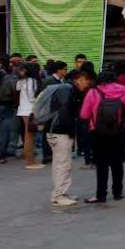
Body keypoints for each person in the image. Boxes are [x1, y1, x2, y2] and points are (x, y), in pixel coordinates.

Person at [79, 71, 125, 203]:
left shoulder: (93, 92)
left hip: (98, 133)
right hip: (118, 132)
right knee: (117, 162)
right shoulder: (123, 90)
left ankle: (101, 194)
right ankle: (117, 192)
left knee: (101, 164)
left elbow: (84, 115)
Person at [44, 68, 96, 206]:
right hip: (61, 132)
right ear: (81, 79)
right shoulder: (69, 90)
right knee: (63, 164)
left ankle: (61, 192)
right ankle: (59, 195)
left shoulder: (64, 88)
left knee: (59, 164)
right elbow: (66, 112)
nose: (87, 86)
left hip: (54, 130)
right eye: (87, 82)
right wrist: (71, 130)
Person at [15, 62, 45, 169]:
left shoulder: (21, 81)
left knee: (28, 134)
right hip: (30, 110)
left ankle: (29, 159)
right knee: (29, 135)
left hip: (23, 109)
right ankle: (30, 161)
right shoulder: (32, 81)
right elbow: (32, 97)